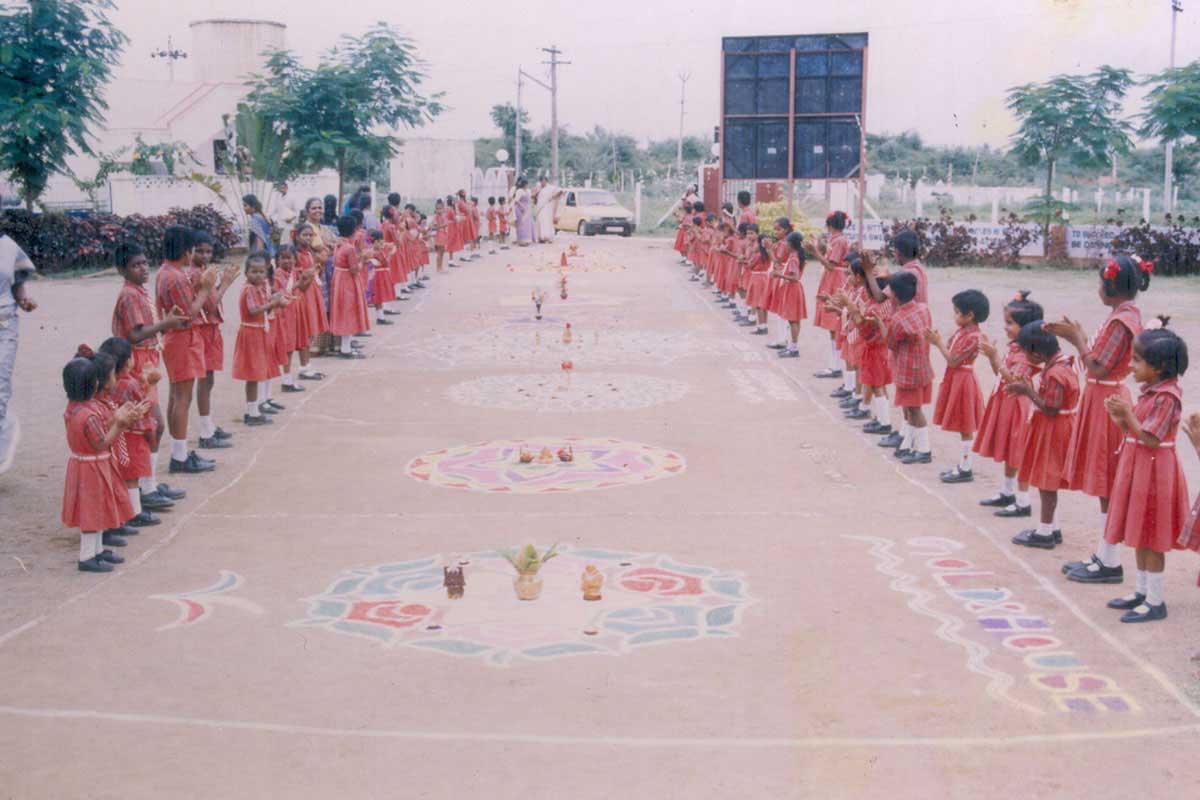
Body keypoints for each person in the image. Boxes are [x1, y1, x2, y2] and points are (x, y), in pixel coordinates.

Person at [1048, 255, 1148, 584]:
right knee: (1106, 479)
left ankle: (1110, 561)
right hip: (1102, 396)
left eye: (1100, 283)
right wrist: (1076, 334)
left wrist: (1075, 338)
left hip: (1107, 397)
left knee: (1108, 478)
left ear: (1111, 286)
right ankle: (1105, 554)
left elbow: (1098, 367)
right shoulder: (1121, 315)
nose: (1097, 289)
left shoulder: (1122, 321)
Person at [1101, 319, 1189, 622]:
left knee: (1152, 534)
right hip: (1141, 466)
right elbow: (1137, 431)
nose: (1131, 364)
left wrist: (1128, 415)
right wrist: (1120, 417)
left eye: (1138, 360)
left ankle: (1155, 600)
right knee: (1139, 530)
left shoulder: (1167, 397)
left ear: (1161, 367)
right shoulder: (1152, 391)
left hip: (1155, 470)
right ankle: (1141, 590)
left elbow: (1151, 438)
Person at [111, 244, 188, 509]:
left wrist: (164, 325)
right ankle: (145, 488)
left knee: (152, 425)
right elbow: (134, 334)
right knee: (149, 425)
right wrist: (165, 325)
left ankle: (148, 484)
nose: (143, 268)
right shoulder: (129, 295)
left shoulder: (139, 292)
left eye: (145, 263)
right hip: (136, 364)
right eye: (136, 265)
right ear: (122, 270)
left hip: (147, 360)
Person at [61, 344, 148, 572]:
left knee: (96, 510)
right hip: (92, 466)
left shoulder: (76, 408)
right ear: (94, 384)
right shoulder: (88, 415)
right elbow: (101, 442)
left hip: (86, 465)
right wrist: (120, 424)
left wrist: (119, 417)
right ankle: (87, 556)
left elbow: (99, 431)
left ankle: (97, 550)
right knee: (92, 514)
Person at [1009, 321, 1080, 550]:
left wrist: (1027, 391)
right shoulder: (1061, 364)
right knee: (1046, 480)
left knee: (1047, 481)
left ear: (1038, 353)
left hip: (1054, 429)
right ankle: (1053, 527)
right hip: (1056, 426)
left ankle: (1045, 531)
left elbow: (1051, 407)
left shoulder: (1055, 374)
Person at [155, 226, 219, 474]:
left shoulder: (164, 272)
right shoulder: (176, 276)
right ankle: (179, 458)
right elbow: (189, 315)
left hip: (174, 339)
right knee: (182, 398)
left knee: (176, 396)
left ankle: (178, 452)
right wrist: (205, 288)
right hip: (183, 338)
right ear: (185, 250)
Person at [976, 291, 1044, 518]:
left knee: (1018, 451)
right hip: (1005, 401)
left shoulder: (1029, 354)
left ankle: (1023, 500)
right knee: (1008, 448)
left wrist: (995, 357)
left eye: (1010, 323)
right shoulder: (1015, 347)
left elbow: (1016, 381)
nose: (1005, 327)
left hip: (1019, 406)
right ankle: (1007, 491)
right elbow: (1001, 374)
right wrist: (993, 358)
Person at [928, 289, 990, 484]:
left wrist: (937, 343)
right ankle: (964, 465)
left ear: (969, 315)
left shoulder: (974, 337)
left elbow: (953, 360)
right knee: (962, 424)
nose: (954, 316)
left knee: (965, 424)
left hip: (963, 379)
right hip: (956, 377)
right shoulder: (963, 331)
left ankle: (966, 466)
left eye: (957, 312)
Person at [98, 337, 158, 529]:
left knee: (123, 475)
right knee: (132, 476)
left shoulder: (109, 382)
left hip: (117, 433)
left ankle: (127, 511)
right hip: (132, 434)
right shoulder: (128, 384)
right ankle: (135, 512)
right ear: (126, 363)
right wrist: (151, 384)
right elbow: (145, 405)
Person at [189, 232, 240, 451]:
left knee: (208, 380)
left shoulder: (203, 271)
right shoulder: (195, 274)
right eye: (199, 251)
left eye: (208, 251)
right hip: (203, 328)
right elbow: (210, 304)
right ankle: (205, 431)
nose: (204, 255)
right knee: (204, 379)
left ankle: (207, 424)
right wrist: (226, 283)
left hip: (211, 327)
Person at [840, 253, 893, 435]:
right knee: (878, 384)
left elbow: (864, 323)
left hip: (876, 348)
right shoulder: (878, 303)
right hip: (875, 348)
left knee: (878, 385)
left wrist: (849, 305)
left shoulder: (877, 306)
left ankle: (884, 422)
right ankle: (881, 418)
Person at [233, 252, 288, 426]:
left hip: (259, 332)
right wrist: (273, 303)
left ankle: (255, 408)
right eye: (254, 272)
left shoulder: (260, 287)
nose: (258, 275)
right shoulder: (248, 289)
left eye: (261, 272)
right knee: (253, 374)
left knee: (258, 372)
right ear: (246, 273)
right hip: (251, 333)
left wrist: (276, 299)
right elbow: (254, 310)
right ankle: (252, 412)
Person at [885, 271, 934, 464]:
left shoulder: (897, 319)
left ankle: (924, 449)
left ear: (895, 296)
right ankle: (909, 444)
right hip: (922, 366)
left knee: (914, 410)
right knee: (911, 408)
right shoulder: (924, 309)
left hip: (907, 370)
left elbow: (891, 343)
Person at [0, 233, 36, 475]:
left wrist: (23, 299)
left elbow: (17, 279)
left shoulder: (7, 246)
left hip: (4, 326)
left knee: (0, 384)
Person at [807, 211, 851, 379]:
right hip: (833, 277)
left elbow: (830, 264)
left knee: (834, 324)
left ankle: (836, 366)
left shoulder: (839, 240)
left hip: (835, 278)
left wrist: (814, 251)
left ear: (830, 225)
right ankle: (835, 365)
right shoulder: (837, 239)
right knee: (833, 325)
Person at [329, 215, 370, 358]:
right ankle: (346, 348)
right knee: (349, 310)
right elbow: (355, 269)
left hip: (339, 278)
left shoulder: (339, 244)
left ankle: (346, 346)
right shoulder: (349, 248)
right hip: (348, 280)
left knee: (344, 310)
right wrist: (364, 260)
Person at [772, 231, 808, 359]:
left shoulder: (793, 257)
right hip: (795, 288)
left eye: (787, 242)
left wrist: (779, 275)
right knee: (794, 320)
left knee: (792, 320)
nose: (785, 245)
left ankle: (793, 349)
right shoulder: (797, 255)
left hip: (792, 288)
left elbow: (795, 276)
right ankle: (792, 347)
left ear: (791, 244)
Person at [745, 233, 773, 336]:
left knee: (758, 304)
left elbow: (749, 265)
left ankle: (761, 326)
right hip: (764, 277)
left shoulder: (758, 255)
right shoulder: (768, 253)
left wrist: (751, 251)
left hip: (757, 278)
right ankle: (764, 325)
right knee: (763, 303)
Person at [243, 194, 275, 259]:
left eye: (245, 205)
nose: (244, 208)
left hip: (259, 253)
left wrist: (258, 257)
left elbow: (260, 239)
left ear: (253, 206)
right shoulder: (262, 217)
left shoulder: (254, 221)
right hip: (269, 250)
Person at [534, 176, 562, 244]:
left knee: (546, 222)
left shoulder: (551, 188)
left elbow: (560, 191)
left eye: (543, 181)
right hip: (540, 207)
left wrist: (553, 197)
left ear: (546, 181)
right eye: (541, 181)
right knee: (540, 221)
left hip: (548, 207)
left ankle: (547, 237)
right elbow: (535, 198)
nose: (542, 182)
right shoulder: (539, 188)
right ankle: (540, 237)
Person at [511, 177, 535, 246]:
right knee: (521, 224)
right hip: (520, 209)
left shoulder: (527, 191)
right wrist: (522, 207)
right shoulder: (520, 191)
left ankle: (526, 239)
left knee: (526, 225)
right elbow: (516, 201)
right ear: (524, 184)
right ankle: (521, 240)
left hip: (527, 210)